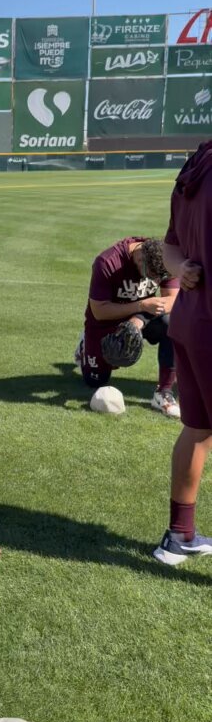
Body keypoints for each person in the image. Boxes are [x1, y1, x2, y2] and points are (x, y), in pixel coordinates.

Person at [154, 140, 212, 565]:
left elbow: (170, 247)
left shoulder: (198, 162)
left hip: (191, 320)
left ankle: (179, 535)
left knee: (198, 428)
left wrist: (180, 270)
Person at [76, 237, 180, 417]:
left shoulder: (165, 256)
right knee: (94, 381)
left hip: (143, 316)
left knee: (172, 323)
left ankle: (164, 391)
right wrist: (140, 306)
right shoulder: (108, 262)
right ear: (140, 260)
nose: (156, 280)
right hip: (107, 321)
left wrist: (139, 318)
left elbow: (173, 300)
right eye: (152, 276)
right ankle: (84, 346)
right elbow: (99, 311)